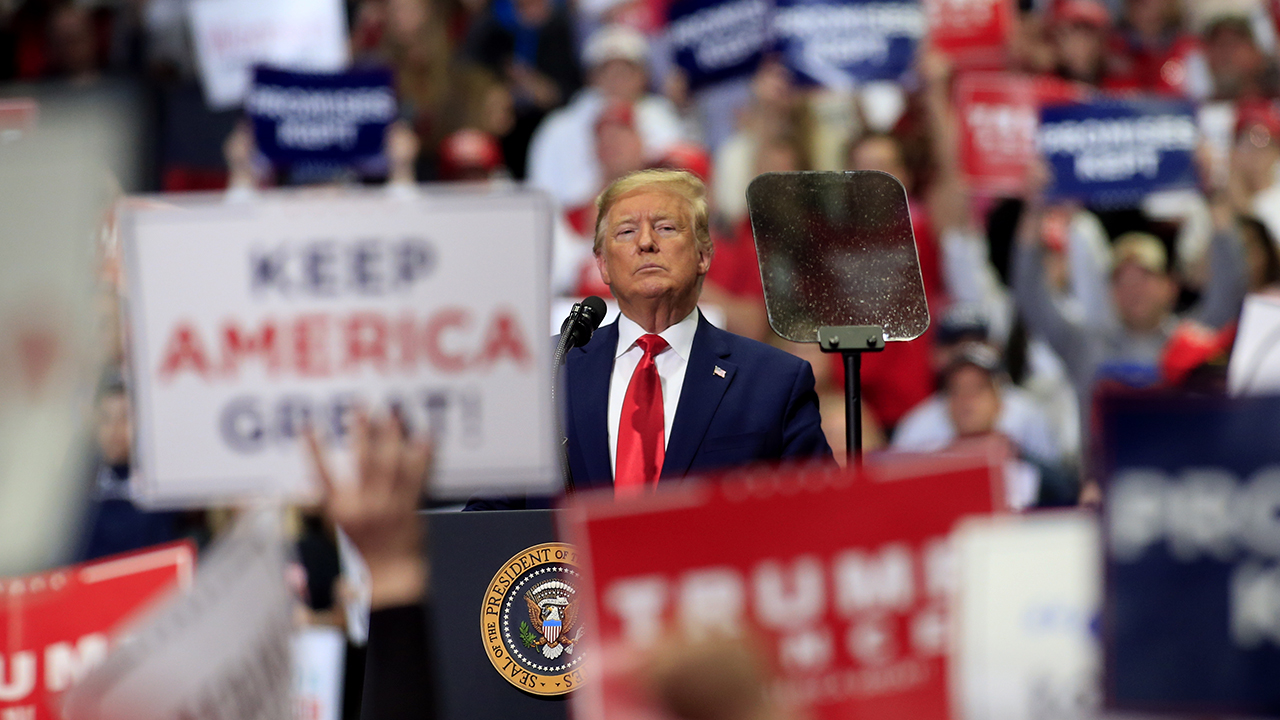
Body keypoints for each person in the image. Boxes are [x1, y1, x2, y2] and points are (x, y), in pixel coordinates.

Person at [470, 169, 831, 509]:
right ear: (602, 265)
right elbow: (487, 521)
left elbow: (818, 518)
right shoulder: (544, 372)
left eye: (666, 227)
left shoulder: (774, 382)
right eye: (626, 232)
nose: (645, 242)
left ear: (704, 255)